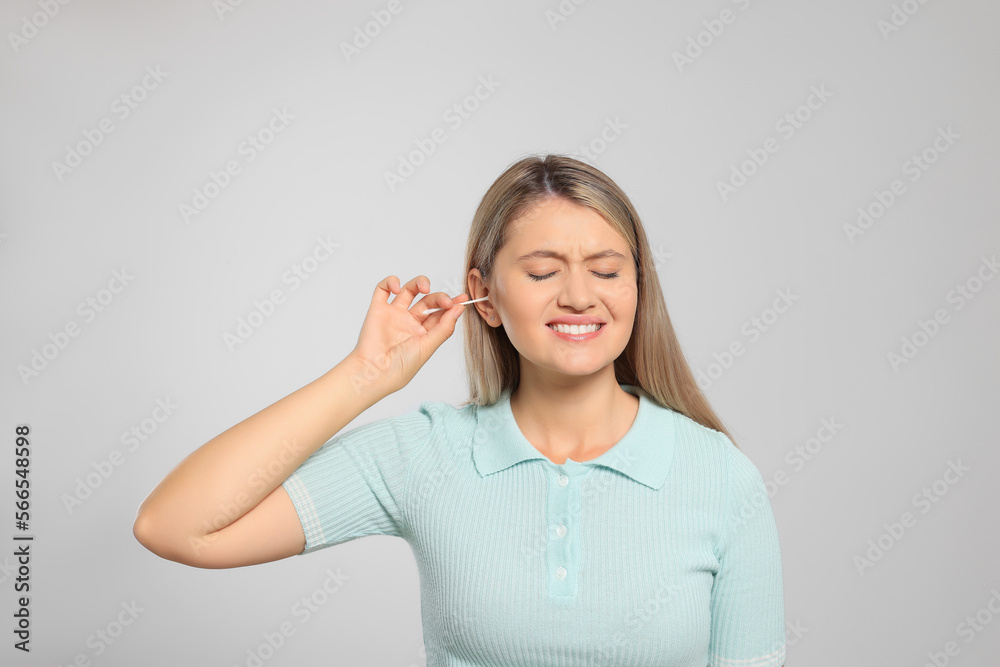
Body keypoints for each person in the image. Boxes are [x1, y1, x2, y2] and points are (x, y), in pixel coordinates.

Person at [133, 154, 786, 666]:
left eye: (608, 270)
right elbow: (175, 524)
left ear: (638, 289)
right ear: (486, 295)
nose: (580, 294)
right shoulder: (426, 454)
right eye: (542, 271)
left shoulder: (721, 479)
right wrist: (365, 376)